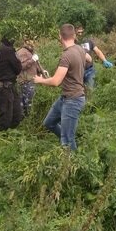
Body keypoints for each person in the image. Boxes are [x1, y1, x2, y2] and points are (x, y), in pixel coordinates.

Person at [33, 23, 86, 151]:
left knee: (67, 140)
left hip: (73, 100)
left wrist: (39, 80)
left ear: (60, 37)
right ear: (74, 35)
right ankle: (67, 137)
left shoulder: (66, 56)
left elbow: (56, 82)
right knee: (49, 123)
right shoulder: (80, 49)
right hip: (65, 98)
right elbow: (89, 58)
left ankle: (71, 163)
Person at [75, 23, 114, 88]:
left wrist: (104, 60)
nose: (80, 34)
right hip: (78, 72)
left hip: (89, 70)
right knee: (79, 92)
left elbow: (97, 51)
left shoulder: (88, 41)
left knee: (90, 90)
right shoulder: (73, 42)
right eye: (78, 32)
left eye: (81, 32)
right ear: (75, 31)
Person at [16, 40, 49, 117]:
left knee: (29, 103)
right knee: (25, 104)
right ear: (24, 42)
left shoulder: (30, 51)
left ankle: (26, 120)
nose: (31, 43)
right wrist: (32, 60)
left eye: (33, 40)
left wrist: (42, 71)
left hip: (31, 81)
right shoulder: (21, 52)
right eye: (28, 41)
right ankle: (24, 121)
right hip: (25, 82)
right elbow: (20, 67)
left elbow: (35, 65)